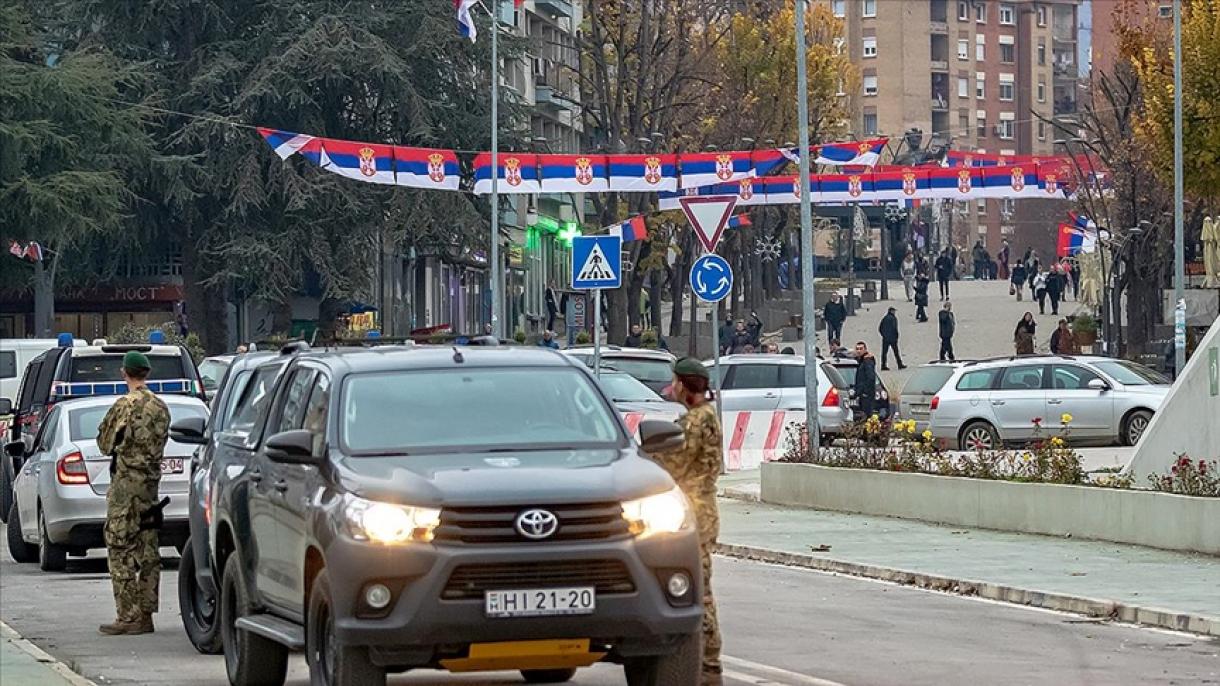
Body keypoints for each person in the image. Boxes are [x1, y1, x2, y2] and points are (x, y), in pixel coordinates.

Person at [652, 358, 723, 684]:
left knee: (698, 592)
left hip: (693, 512)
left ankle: (708, 667)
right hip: (703, 509)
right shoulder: (706, 415)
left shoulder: (695, 422)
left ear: (684, 384)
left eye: (676, 381)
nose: (673, 387)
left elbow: (674, 466)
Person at [96, 351, 171, 635]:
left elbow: (105, 443)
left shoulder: (124, 405)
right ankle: (147, 613)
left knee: (119, 546)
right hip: (150, 486)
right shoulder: (161, 407)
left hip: (126, 487)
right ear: (147, 373)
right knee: (148, 549)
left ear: (124, 373)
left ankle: (128, 615)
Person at [853, 341, 878, 418]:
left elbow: (871, 378)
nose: (859, 351)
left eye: (861, 349)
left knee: (867, 415)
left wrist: (865, 392)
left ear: (865, 349)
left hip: (866, 395)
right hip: (862, 395)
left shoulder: (867, 361)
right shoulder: (860, 361)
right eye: (857, 349)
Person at [877, 307, 905, 371]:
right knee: (896, 352)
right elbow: (894, 328)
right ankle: (899, 364)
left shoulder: (885, 318)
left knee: (884, 353)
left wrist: (883, 335)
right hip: (892, 338)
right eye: (894, 311)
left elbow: (880, 328)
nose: (895, 312)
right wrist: (896, 336)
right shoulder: (893, 318)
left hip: (885, 338)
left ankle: (883, 365)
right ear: (891, 311)